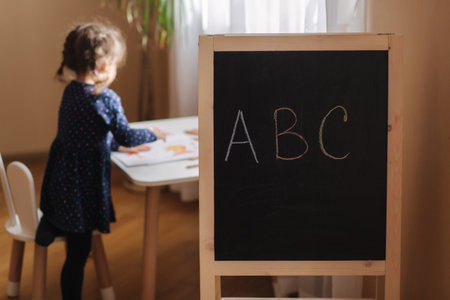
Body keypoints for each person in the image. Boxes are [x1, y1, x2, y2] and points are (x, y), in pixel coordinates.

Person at [35, 22, 165, 300]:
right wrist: (152, 133)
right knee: (78, 255)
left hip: (62, 184)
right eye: (116, 62)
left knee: (76, 245)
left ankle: (53, 222)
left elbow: (86, 132)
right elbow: (128, 135)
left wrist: (115, 145)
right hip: (81, 191)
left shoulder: (71, 91)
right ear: (104, 65)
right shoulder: (104, 98)